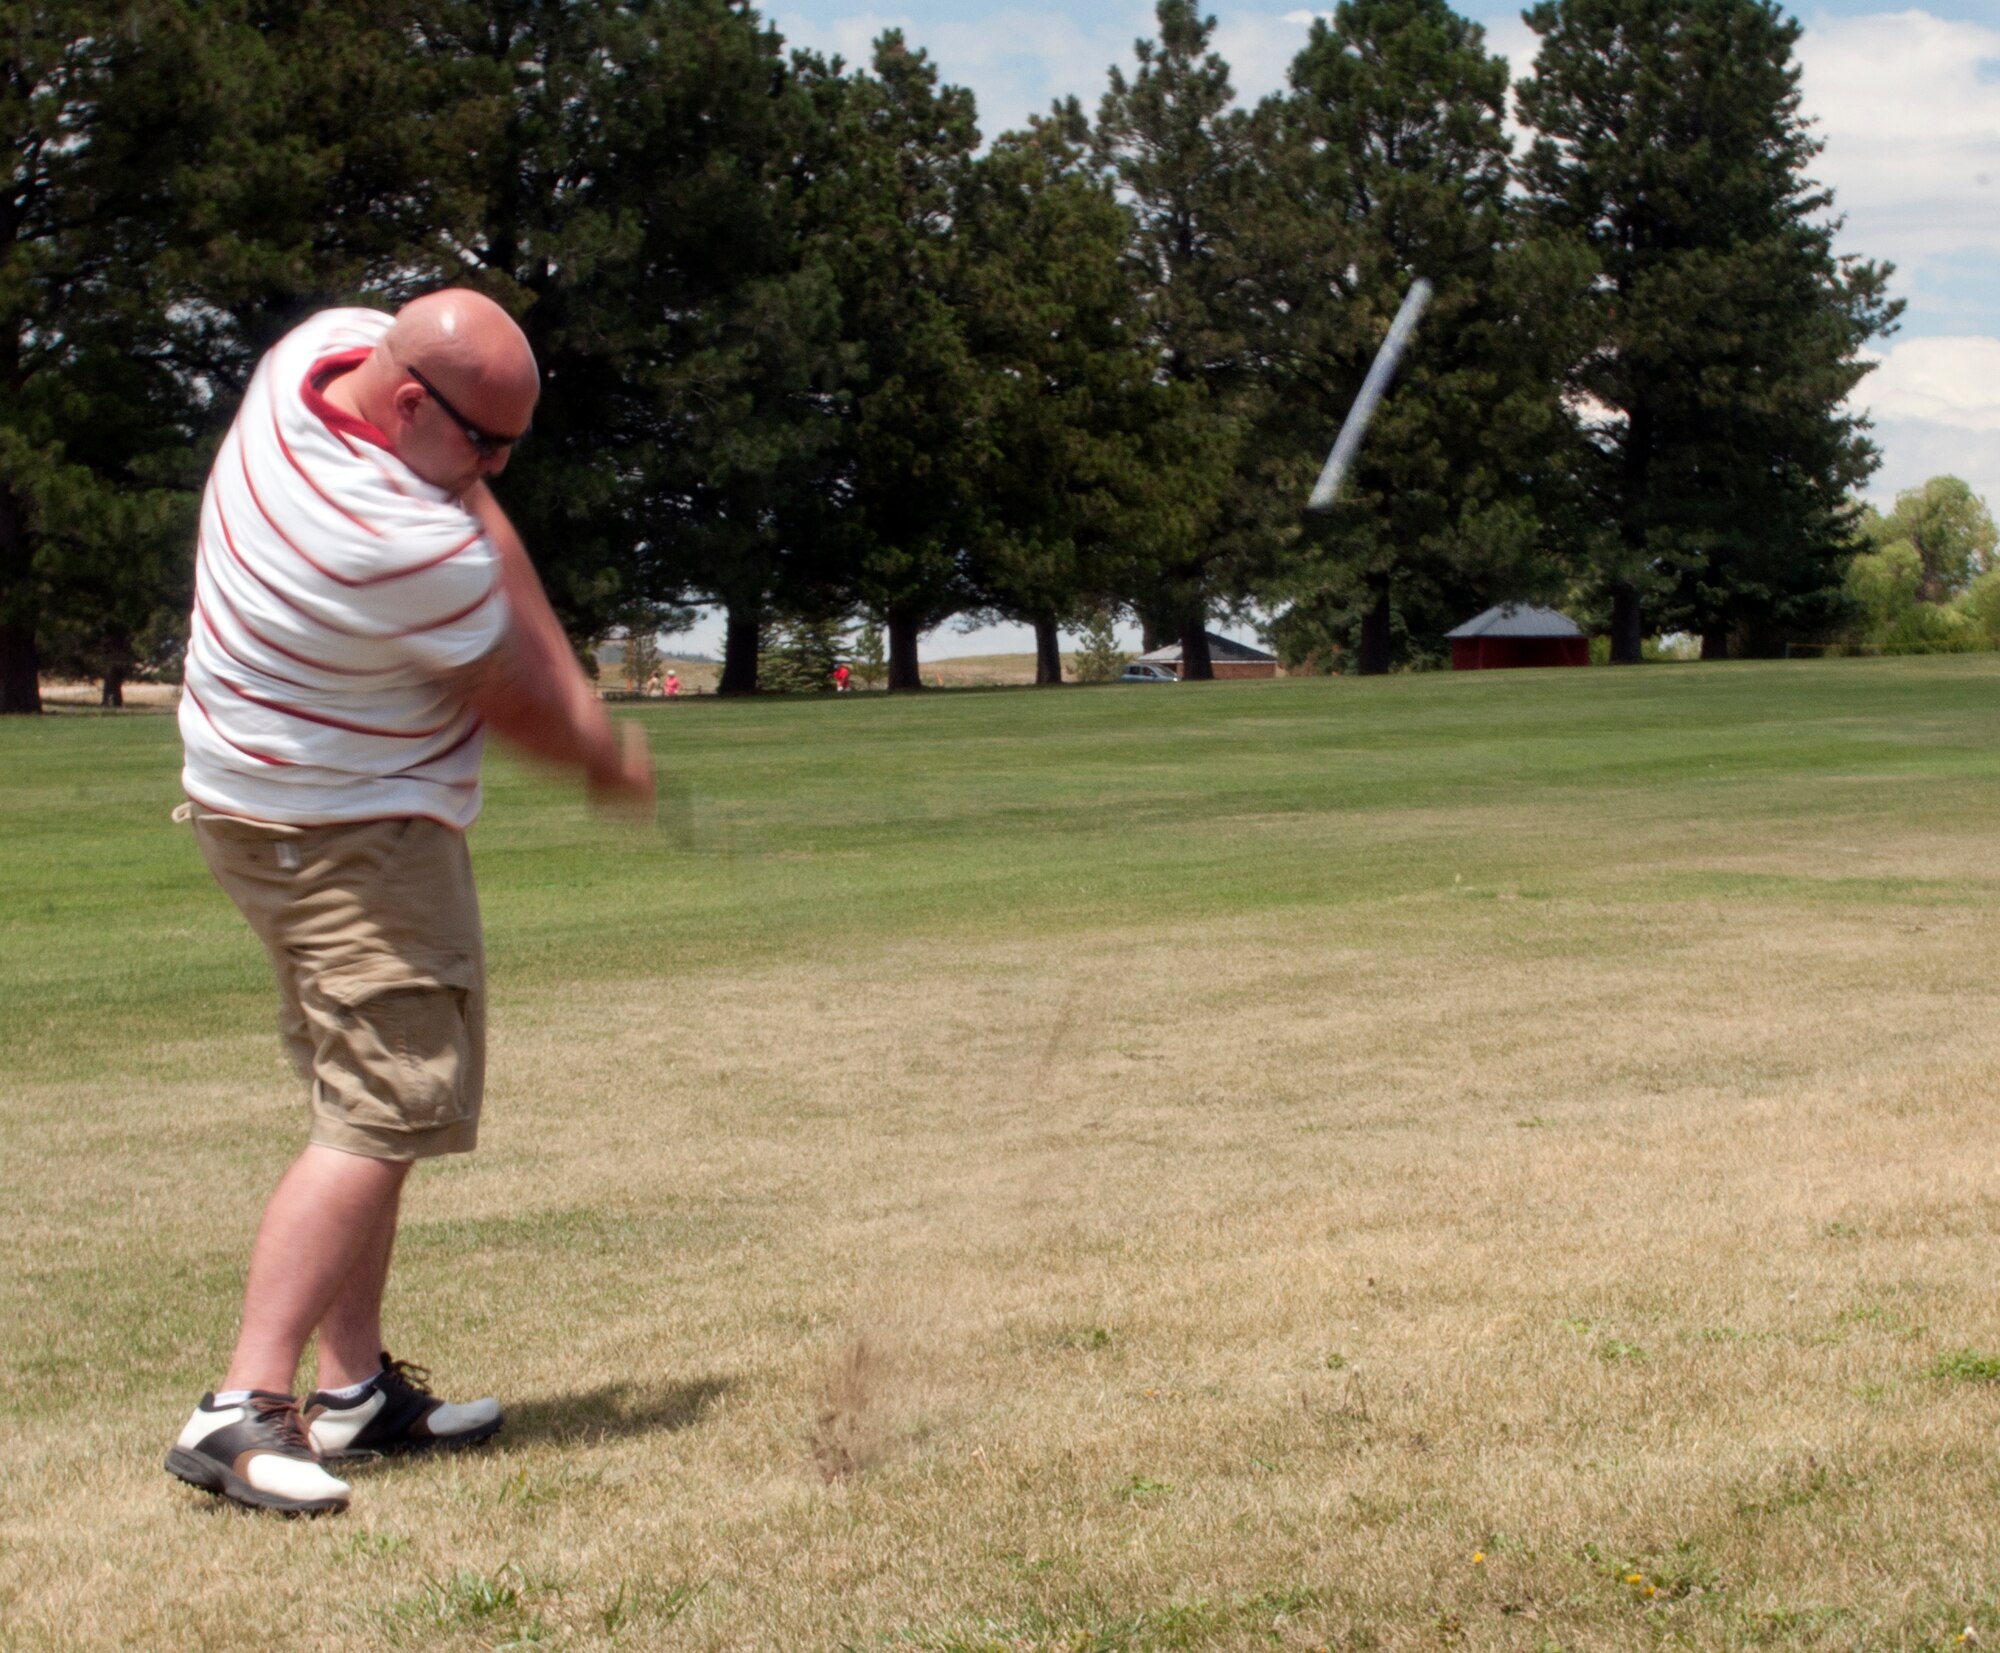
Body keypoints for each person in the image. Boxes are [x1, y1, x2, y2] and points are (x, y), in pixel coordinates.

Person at [167, 289, 653, 1517]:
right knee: (388, 1103)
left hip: (258, 801)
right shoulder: (391, 538)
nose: (495, 470)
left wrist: (572, 688)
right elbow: (518, 697)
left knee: (364, 1104)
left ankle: (355, 1394)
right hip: (348, 834)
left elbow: (482, 521)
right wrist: (598, 747)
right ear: (404, 406)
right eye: (483, 441)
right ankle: (240, 1409)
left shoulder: (312, 354)